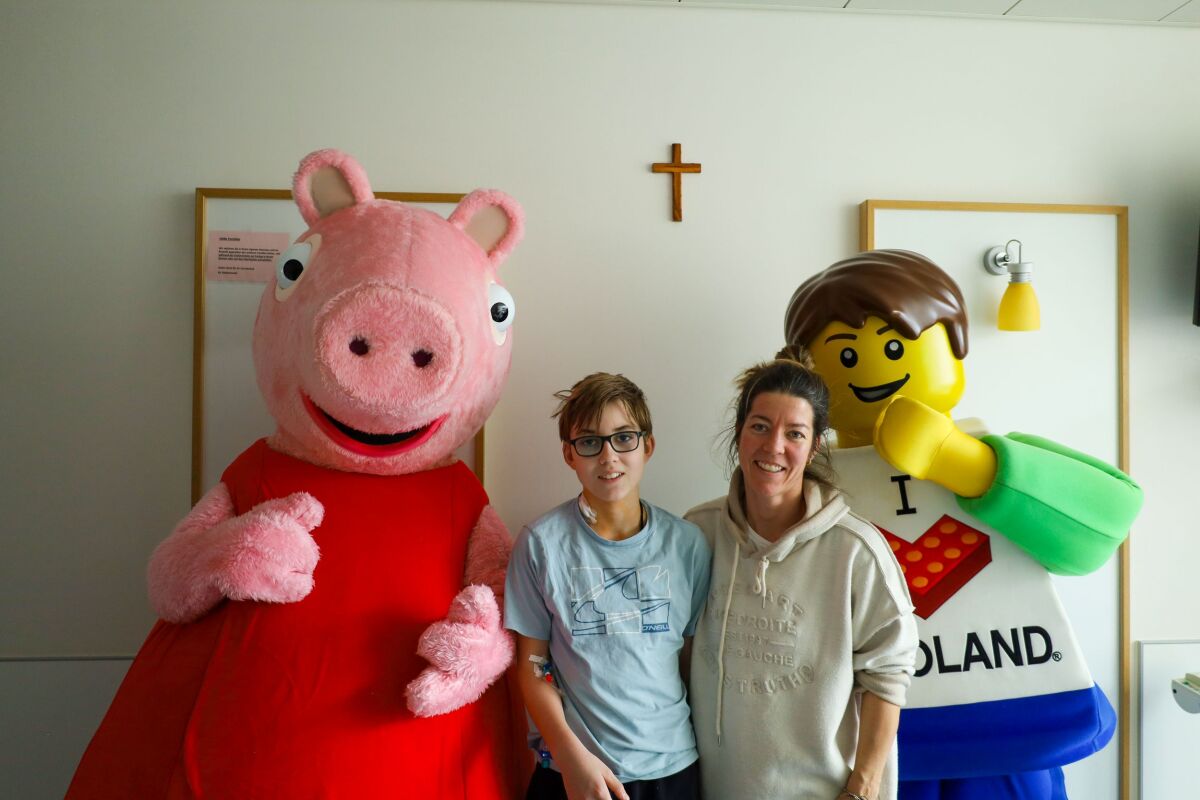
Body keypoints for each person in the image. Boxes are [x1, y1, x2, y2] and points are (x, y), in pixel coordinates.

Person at [785, 249, 1142, 800]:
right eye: (845, 356)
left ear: (954, 346)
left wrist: (965, 464)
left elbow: (1106, 524)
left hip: (1012, 729)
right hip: (870, 744)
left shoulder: (992, 453)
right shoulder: (802, 483)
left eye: (896, 347)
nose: (869, 368)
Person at [687, 354, 919, 800]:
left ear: (813, 447)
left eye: (794, 433)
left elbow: (889, 674)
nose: (773, 446)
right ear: (739, 433)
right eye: (760, 426)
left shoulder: (857, 550)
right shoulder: (698, 533)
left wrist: (862, 789)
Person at [505, 372, 712, 800]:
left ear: (647, 446)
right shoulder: (541, 544)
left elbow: (689, 661)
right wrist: (570, 757)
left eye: (623, 438)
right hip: (572, 771)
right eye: (589, 442)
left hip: (671, 770)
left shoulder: (687, 545)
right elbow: (532, 667)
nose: (608, 456)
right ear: (569, 454)